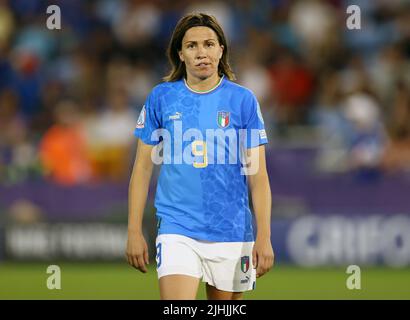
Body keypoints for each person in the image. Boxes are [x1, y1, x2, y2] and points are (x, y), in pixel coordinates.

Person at [126, 13, 274, 300]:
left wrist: (264, 236)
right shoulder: (162, 97)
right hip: (176, 226)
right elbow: (142, 169)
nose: (201, 52)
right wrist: (133, 230)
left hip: (231, 229)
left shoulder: (243, 101)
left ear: (221, 50)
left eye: (209, 44)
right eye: (192, 46)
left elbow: (258, 175)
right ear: (180, 54)